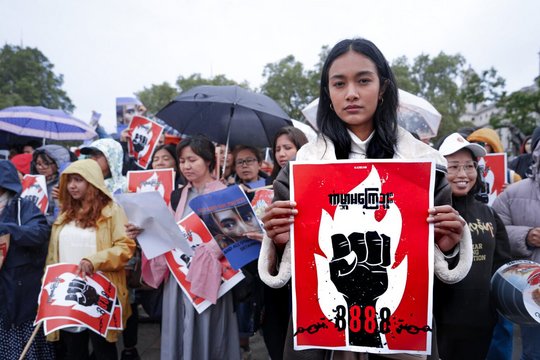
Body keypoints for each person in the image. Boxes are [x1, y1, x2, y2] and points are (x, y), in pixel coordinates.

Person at [258, 38, 472, 360]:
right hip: (321, 336)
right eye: (339, 83)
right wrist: (278, 240)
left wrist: (446, 246)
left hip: (400, 333)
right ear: (327, 93)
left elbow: (433, 275)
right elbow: (295, 270)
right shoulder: (302, 168)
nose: (352, 93)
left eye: (363, 80)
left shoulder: (426, 168)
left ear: (383, 87)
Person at [132, 135, 240, 360]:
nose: (186, 166)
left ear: (208, 161)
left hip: (212, 276)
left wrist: (210, 249)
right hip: (179, 275)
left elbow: (236, 235)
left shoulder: (226, 192)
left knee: (209, 331)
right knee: (178, 328)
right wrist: (144, 230)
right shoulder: (177, 195)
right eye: (182, 161)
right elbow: (168, 232)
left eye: (192, 160)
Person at [45, 159, 136, 359]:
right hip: (69, 293)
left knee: (103, 349)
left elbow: (125, 247)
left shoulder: (112, 211)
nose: (72, 186)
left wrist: (94, 260)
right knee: (74, 350)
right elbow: (53, 255)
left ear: (92, 181)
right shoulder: (65, 213)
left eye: (78, 180)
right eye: (69, 181)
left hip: (100, 292)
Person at [435, 133, 512, 359]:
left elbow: (502, 264)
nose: (462, 174)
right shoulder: (431, 212)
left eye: (469, 166)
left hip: (480, 321)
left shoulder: (488, 212)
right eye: (453, 166)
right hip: (441, 323)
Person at [0, 160, 55, 360]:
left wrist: (8, 229)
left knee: (19, 346)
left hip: (18, 289)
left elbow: (40, 233)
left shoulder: (23, 207)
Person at [492, 140, 540, 360]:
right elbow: (493, 229)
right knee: (533, 351)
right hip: (533, 291)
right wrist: (526, 235)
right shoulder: (513, 194)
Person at [31, 144, 71, 224]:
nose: (41, 167)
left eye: (46, 163)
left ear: (58, 164)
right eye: (38, 163)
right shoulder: (33, 182)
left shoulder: (64, 185)